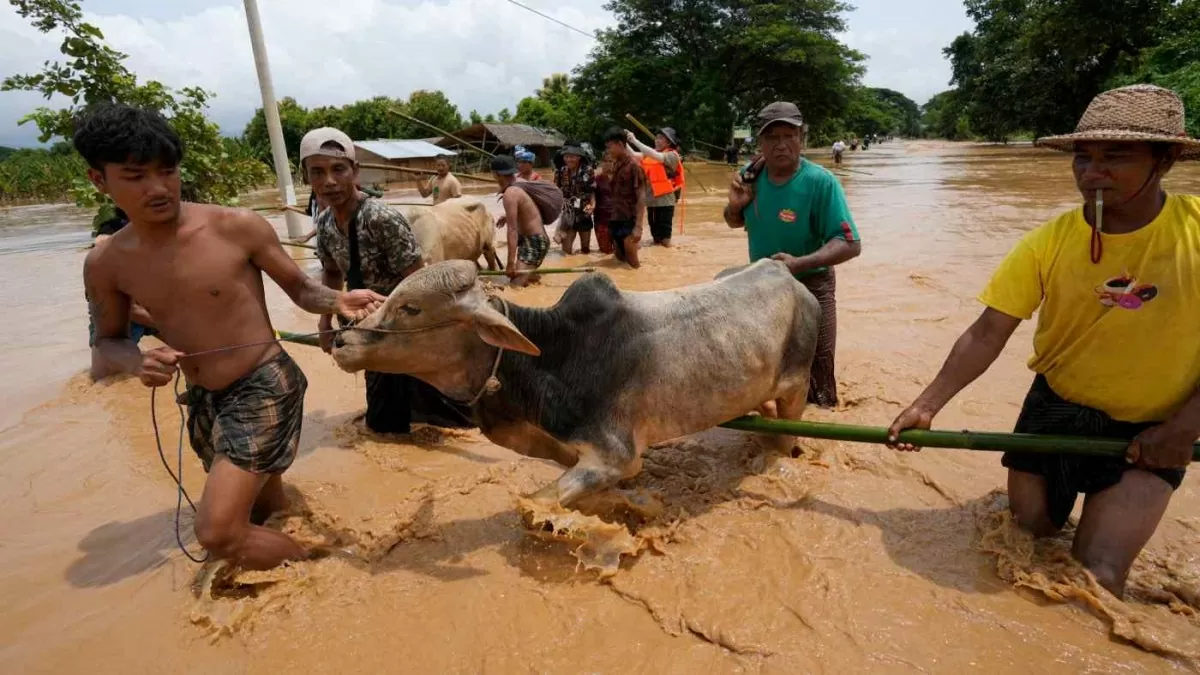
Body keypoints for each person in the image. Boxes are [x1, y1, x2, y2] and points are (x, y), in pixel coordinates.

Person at [887, 85, 1200, 597]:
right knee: (1025, 535)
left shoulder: (1196, 234)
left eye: (1115, 156)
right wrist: (926, 404)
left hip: (1152, 431)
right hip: (1055, 410)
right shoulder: (1048, 241)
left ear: (1164, 160)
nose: (1092, 173)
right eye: (1083, 157)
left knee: (1095, 580)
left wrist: (1185, 429)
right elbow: (988, 332)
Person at [79, 105, 384, 570]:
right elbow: (107, 340)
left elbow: (301, 288)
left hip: (263, 382)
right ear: (100, 180)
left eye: (168, 172)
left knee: (218, 532)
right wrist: (137, 362)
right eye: (136, 176)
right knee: (262, 509)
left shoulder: (235, 227)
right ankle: (288, 542)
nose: (158, 188)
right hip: (203, 398)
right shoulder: (107, 264)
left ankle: (330, 563)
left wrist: (337, 302)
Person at [305, 127, 473, 435]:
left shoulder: (380, 218)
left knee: (433, 413)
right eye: (318, 172)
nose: (329, 181)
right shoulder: (325, 224)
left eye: (338, 169)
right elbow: (331, 274)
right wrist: (324, 324)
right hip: (367, 329)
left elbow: (419, 280)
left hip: (403, 329)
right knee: (388, 420)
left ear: (355, 172)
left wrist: (436, 332)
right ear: (308, 178)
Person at [723, 102, 862, 407]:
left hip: (812, 285)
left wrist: (799, 264)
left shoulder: (820, 182)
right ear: (760, 143)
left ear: (802, 138)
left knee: (818, 367)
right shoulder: (750, 176)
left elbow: (851, 243)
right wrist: (735, 205)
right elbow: (734, 221)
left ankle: (821, 427)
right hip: (762, 287)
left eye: (789, 135)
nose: (781, 144)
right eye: (772, 138)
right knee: (761, 362)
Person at [87, 206, 158, 358]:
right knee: (111, 374)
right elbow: (129, 310)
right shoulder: (110, 236)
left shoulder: (160, 232)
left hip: (152, 309)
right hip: (119, 317)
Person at [492, 154, 563, 286]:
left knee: (515, 286)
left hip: (534, 242)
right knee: (520, 280)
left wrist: (510, 263)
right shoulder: (520, 183)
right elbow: (527, 208)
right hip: (530, 241)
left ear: (495, 174)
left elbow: (512, 231)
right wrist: (507, 217)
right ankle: (532, 278)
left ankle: (528, 279)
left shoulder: (510, 194)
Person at [626, 127, 683, 247]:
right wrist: (623, 142)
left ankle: (668, 258)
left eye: (661, 138)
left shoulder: (672, 155)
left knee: (665, 239)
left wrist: (635, 141)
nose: (657, 140)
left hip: (665, 202)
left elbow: (655, 155)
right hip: (651, 201)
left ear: (668, 142)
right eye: (656, 137)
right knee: (655, 238)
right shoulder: (650, 154)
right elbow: (633, 155)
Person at [603, 127, 647, 268]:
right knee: (619, 260)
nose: (608, 150)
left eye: (610, 147)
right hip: (615, 218)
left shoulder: (634, 166)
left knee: (633, 263)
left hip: (629, 219)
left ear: (621, 145)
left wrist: (638, 227)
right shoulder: (615, 165)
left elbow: (641, 196)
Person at [553, 142, 596, 255]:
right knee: (566, 251)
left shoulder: (588, 170)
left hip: (584, 214)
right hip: (568, 214)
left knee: (585, 250)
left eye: (571, 156)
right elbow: (556, 191)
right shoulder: (560, 172)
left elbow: (591, 192)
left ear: (579, 157)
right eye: (566, 156)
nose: (568, 159)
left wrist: (592, 206)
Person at [593, 153, 615, 254]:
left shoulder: (621, 178)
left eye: (611, 161)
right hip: (601, 220)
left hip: (618, 220)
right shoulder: (596, 179)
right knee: (605, 252)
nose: (608, 164)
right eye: (605, 161)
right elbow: (591, 197)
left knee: (620, 253)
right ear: (601, 163)